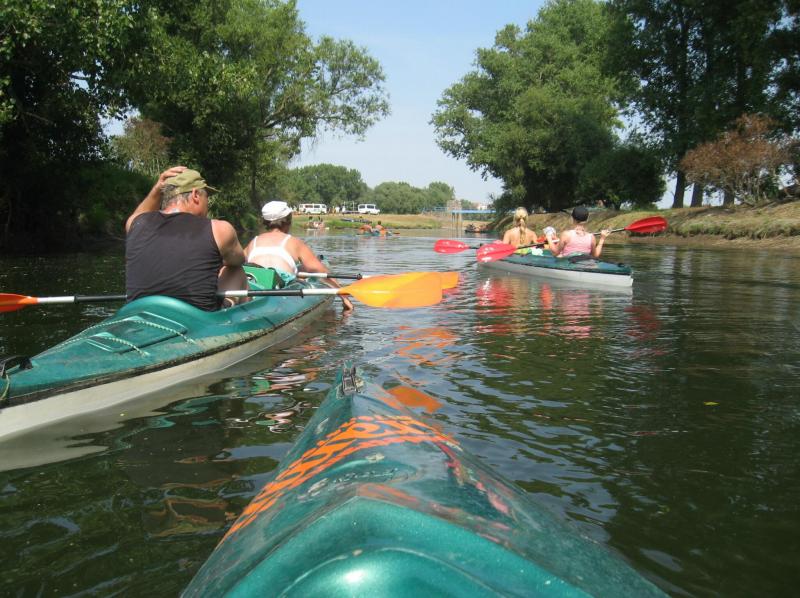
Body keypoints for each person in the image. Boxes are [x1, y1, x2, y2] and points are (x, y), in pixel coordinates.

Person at [125, 166, 247, 311]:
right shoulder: (220, 229)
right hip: (196, 318)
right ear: (195, 195)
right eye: (206, 197)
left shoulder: (136, 224)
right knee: (236, 270)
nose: (207, 204)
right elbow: (239, 260)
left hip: (139, 312)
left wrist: (157, 189)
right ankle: (239, 314)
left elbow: (138, 216)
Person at [244, 201, 354, 311]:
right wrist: (344, 296)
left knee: (299, 269)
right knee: (306, 270)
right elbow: (320, 271)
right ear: (288, 221)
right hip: (282, 295)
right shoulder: (294, 242)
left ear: (265, 222)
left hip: (255, 287)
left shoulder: (253, 242)